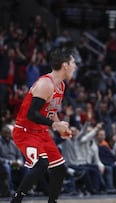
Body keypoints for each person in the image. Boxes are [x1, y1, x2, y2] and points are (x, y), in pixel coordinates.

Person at [10, 48, 76, 203]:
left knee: (60, 168)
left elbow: (51, 111)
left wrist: (60, 126)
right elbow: (31, 114)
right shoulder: (45, 84)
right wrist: (54, 125)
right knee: (41, 163)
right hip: (24, 131)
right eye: (73, 63)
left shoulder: (61, 86)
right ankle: (16, 200)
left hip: (40, 132)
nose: (75, 66)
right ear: (65, 65)